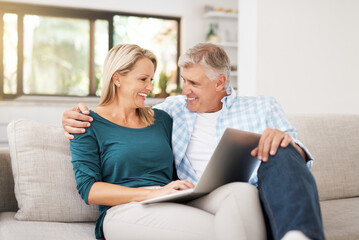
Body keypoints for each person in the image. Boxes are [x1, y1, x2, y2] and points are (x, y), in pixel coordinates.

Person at [64, 43, 325, 240]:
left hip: (177, 199)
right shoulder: (87, 122)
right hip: (125, 209)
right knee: (228, 230)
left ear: (220, 81)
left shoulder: (161, 118)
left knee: (244, 189)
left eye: (151, 80)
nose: (150, 88)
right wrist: (155, 192)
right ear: (117, 78)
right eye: (143, 79)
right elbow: (89, 189)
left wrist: (166, 192)